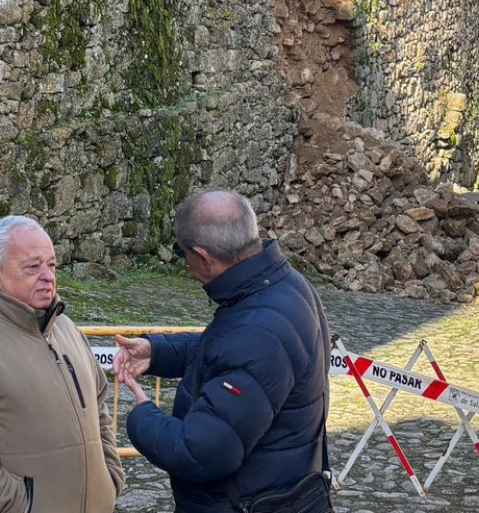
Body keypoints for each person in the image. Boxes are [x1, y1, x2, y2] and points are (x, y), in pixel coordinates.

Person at [115, 190, 332, 513]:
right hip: (282, 492)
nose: (186, 264)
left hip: (245, 501)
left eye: (182, 253)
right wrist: (158, 352)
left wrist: (142, 416)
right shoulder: (283, 285)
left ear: (202, 256)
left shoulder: (257, 329)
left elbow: (202, 453)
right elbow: (231, 354)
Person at [0, 215, 125, 513]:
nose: (48, 275)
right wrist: (18, 504)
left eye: (52, 264)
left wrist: (110, 476)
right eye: (33, 266)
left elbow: (98, 405)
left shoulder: (67, 328)